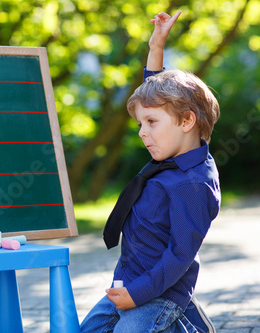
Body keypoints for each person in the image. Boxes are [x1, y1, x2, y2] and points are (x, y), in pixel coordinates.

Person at [80, 11, 221, 333]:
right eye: (140, 123)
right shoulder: (172, 151)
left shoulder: (193, 183)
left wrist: (137, 295)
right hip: (130, 279)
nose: (143, 132)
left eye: (151, 123)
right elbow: (154, 95)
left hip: (161, 293)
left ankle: (185, 321)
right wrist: (156, 46)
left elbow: (181, 253)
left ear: (187, 121)